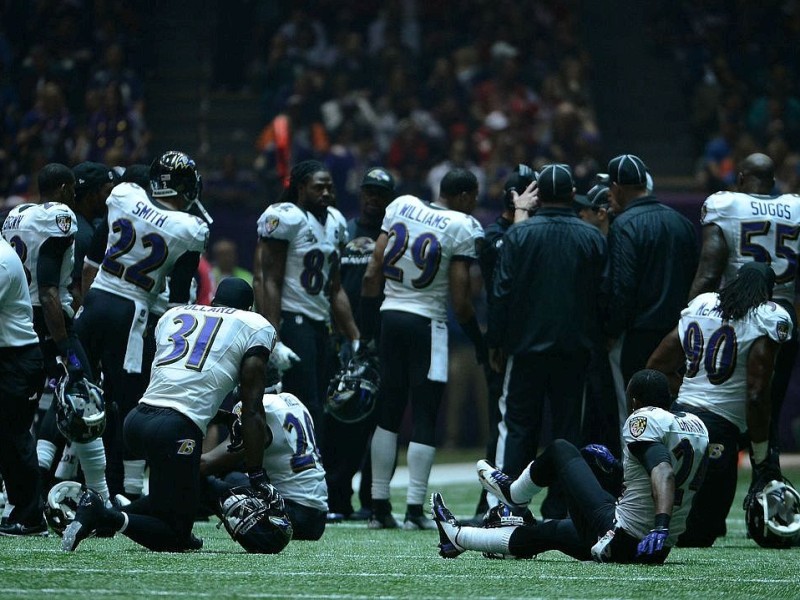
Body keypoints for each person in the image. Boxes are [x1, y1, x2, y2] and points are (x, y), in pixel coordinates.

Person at [62, 278, 276, 552]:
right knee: (176, 535)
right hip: (175, 429)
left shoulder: (175, 314)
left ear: (213, 302)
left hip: (138, 420)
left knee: (174, 497)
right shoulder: (254, 324)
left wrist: (218, 415)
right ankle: (106, 516)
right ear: (249, 307)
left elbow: (177, 381)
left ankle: (105, 511)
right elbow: (253, 409)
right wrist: (257, 474)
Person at [432, 370, 710, 564]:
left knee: (561, 449)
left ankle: (514, 493)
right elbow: (658, 478)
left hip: (624, 534)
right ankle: (459, 537)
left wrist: (660, 525)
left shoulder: (644, 419)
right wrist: (615, 477)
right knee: (550, 532)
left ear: (636, 401)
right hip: (653, 551)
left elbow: (664, 471)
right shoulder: (696, 427)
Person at [76, 151, 210, 499]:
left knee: (76, 388)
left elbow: (94, 259)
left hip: (94, 302)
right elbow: (180, 298)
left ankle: (60, 476)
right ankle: (130, 490)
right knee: (130, 401)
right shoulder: (190, 227)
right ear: (185, 185)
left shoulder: (124, 194)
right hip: (132, 313)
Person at [361, 167, 486, 530]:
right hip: (427, 323)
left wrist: (366, 332)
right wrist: (479, 341)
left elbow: (373, 271)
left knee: (388, 413)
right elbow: (461, 302)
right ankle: (415, 509)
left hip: (389, 316)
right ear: (464, 196)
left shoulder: (401, 205)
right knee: (426, 414)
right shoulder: (461, 224)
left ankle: (379, 507)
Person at [486, 163, 607, 519]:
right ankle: (563, 508)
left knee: (518, 428)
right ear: (572, 194)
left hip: (525, 349)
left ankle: (508, 507)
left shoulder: (519, 235)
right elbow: (603, 296)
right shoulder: (592, 237)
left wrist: (496, 342)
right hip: (575, 350)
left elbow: (501, 291)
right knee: (568, 433)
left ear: (539, 196)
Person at [648, 262, 791, 547]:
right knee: (701, 535)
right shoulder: (768, 316)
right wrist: (762, 458)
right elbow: (756, 394)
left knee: (681, 524)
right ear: (768, 292)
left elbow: (656, 367)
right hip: (720, 431)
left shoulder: (702, 303)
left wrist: (681, 399)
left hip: (681, 419)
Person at [687, 152, 800, 482]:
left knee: (721, 409)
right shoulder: (794, 206)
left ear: (740, 179)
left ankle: (712, 494)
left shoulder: (726, 204)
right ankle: (768, 485)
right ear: (773, 182)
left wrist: (692, 316)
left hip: (737, 316)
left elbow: (709, 269)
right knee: (767, 408)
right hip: (782, 318)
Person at [1, 164, 110, 505]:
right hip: (49, 320)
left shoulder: (16, 214)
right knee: (84, 401)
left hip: (16, 318)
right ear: (64, 188)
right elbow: (49, 289)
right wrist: (67, 347)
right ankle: (101, 497)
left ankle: (16, 491)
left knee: (19, 417)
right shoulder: (60, 216)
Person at [255, 160, 359, 437]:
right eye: (318, 187)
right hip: (293, 319)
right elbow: (269, 280)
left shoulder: (337, 221)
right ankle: (303, 465)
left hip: (320, 323)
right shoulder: (286, 217)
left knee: (322, 403)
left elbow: (335, 287)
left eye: (329, 187)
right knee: (303, 401)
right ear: (301, 187)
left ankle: (313, 463)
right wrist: (272, 335)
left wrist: (354, 335)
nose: (326, 193)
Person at [605, 154, 698, 433]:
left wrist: (611, 330)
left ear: (617, 188)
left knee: (640, 415)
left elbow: (623, 286)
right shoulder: (682, 223)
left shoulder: (623, 225)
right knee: (677, 406)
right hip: (678, 335)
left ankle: (643, 474)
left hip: (640, 334)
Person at [324, 167, 395, 523]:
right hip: (342, 339)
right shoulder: (343, 232)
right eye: (369, 192)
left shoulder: (395, 237)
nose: (373, 198)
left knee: (378, 421)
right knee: (341, 421)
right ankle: (338, 497)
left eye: (380, 194)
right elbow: (329, 284)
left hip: (382, 340)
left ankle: (372, 499)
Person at [469, 165, 537, 521]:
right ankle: (492, 500)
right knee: (503, 422)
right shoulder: (495, 236)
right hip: (508, 341)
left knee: (523, 424)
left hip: (533, 338)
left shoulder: (537, 229)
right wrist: (493, 342)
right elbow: (499, 294)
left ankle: (516, 498)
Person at [201, 380, 327, 541]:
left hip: (289, 516)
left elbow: (209, 464)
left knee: (215, 479)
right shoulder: (291, 400)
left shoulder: (258, 408)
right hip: (317, 519)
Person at [0, 236, 46, 536]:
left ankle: (31, 515)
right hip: (7, 355)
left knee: (13, 435)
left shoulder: (2, 261)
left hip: (18, 358)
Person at [70, 161, 116, 309]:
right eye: (108, 192)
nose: (112, 199)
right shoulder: (81, 234)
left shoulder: (80, 225)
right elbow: (74, 288)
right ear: (91, 196)